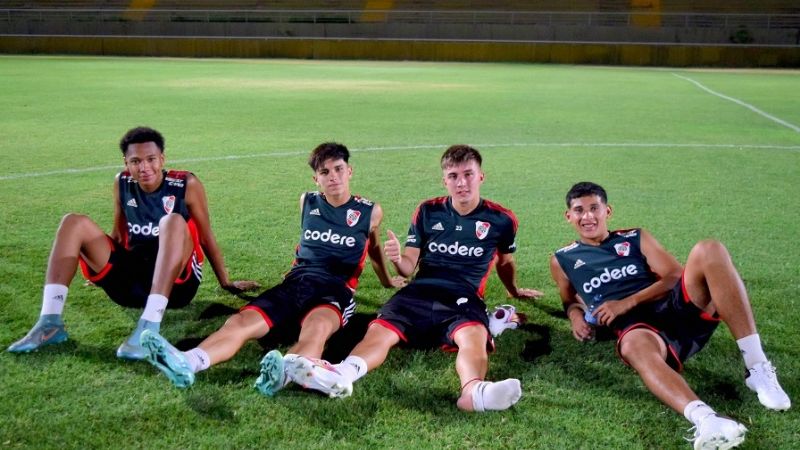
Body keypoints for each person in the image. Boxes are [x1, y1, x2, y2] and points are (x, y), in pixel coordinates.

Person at [285, 145, 543, 412]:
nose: (461, 182)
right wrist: (397, 258)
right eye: (453, 176)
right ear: (445, 180)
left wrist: (513, 290)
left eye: (468, 174)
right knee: (380, 329)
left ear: (481, 176)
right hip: (418, 290)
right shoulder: (427, 211)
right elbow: (408, 268)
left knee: (473, 333)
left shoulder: (502, 219)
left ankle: (474, 391)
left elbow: (505, 261)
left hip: (463, 294)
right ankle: (343, 374)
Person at [139, 142, 403, 391]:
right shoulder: (307, 202)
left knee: (317, 329)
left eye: (338, 169)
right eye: (325, 172)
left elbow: (374, 247)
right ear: (316, 179)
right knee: (240, 321)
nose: (333, 176)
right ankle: (189, 362)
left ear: (349, 171)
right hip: (295, 283)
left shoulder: (370, 211)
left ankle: (283, 376)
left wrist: (387, 280)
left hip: (335, 291)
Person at [550, 181, 791, 449]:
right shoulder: (563, 259)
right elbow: (569, 299)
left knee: (709, 248)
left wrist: (626, 302)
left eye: (594, 208)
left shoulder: (635, 237)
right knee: (633, 345)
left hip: (673, 308)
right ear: (568, 216)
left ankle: (756, 367)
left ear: (608, 211)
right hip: (638, 329)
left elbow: (674, 275)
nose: (588, 216)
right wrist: (575, 317)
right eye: (579, 210)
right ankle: (706, 419)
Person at [7, 126, 258, 360]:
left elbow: (205, 237)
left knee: (172, 221)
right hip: (133, 281)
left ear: (162, 159)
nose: (144, 167)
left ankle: (149, 328)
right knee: (73, 222)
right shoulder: (123, 182)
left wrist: (226, 282)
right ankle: (50, 323)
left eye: (151, 159)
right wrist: (102, 266)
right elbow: (119, 233)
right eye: (136, 161)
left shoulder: (186, 184)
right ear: (126, 163)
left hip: (176, 288)